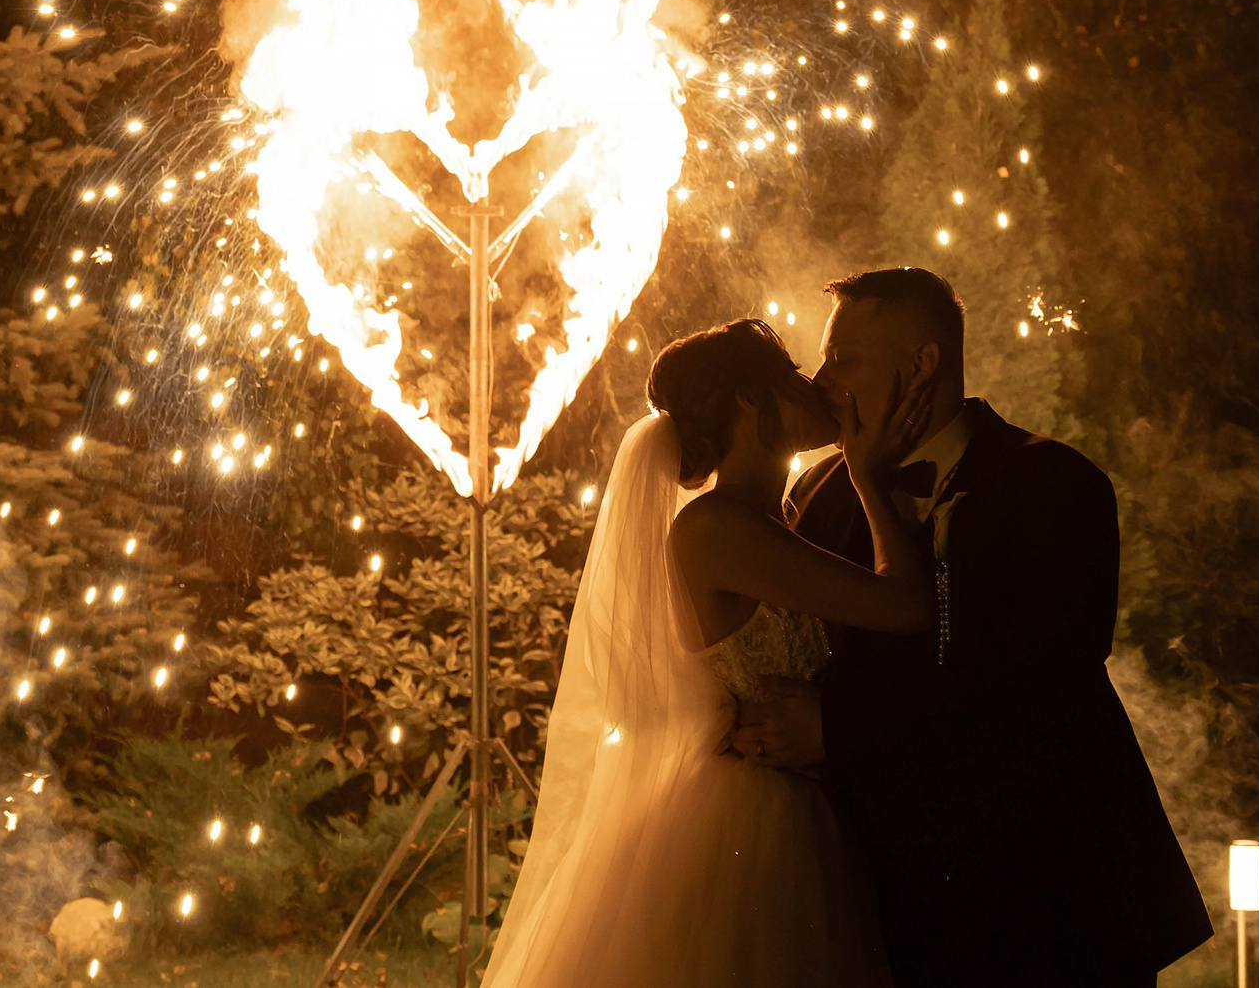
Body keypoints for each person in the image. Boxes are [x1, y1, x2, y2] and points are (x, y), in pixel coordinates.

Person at [731, 267, 1215, 987]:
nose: (822, 378)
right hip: (883, 912)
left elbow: (1037, 683)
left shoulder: (1052, 482)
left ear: (922, 362)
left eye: (846, 358)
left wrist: (838, 723)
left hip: (1046, 904)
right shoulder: (817, 493)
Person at [482, 318, 936, 988]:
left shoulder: (777, 511)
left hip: (794, 796)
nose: (813, 384)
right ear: (751, 401)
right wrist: (867, 474)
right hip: (753, 827)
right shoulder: (717, 528)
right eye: (790, 376)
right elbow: (906, 606)